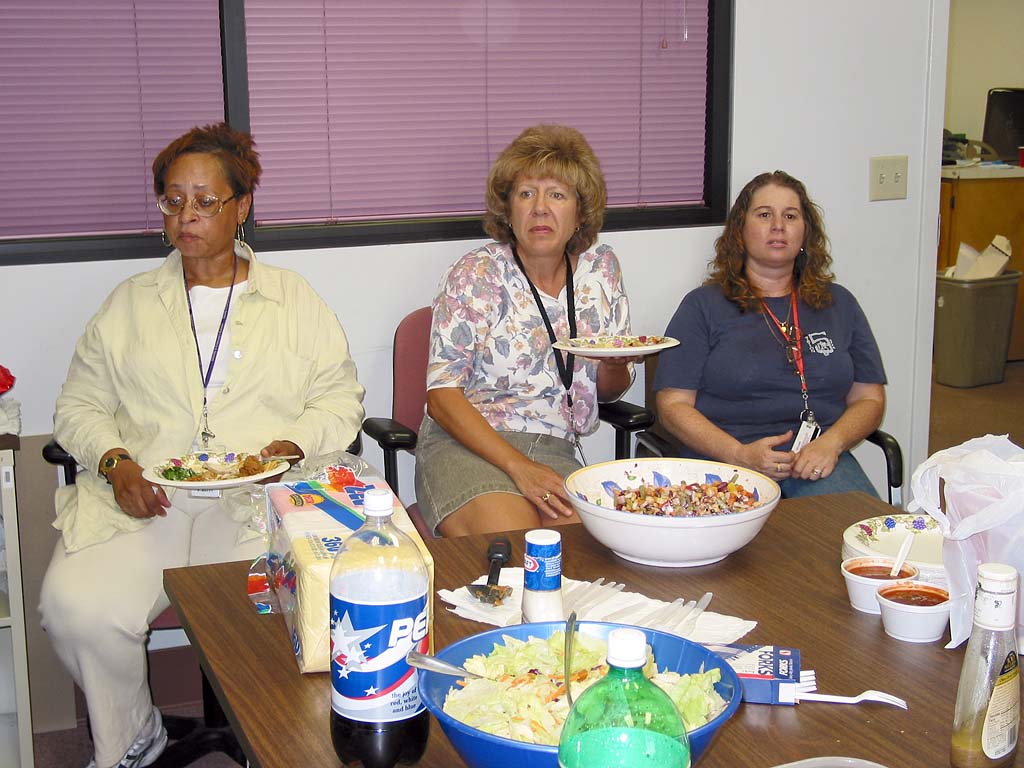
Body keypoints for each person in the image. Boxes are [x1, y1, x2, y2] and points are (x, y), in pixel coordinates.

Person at [39, 123, 365, 768]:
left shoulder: (293, 300)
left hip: (255, 498)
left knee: (267, 611)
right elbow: (79, 404)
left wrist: (291, 446)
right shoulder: (128, 304)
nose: (187, 216)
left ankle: (275, 742)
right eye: (173, 200)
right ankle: (134, 740)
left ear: (241, 206)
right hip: (147, 500)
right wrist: (114, 461)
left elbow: (340, 398)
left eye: (205, 201)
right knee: (74, 607)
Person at [415, 124, 637, 537]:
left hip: (555, 451)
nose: (540, 208)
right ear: (508, 208)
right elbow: (442, 396)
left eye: (557, 194)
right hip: (468, 444)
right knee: (520, 548)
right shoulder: (476, 274)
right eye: (526, 194)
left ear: (579, 210)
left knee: (586, 554)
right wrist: (520, 468)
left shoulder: (600, 270)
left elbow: (607, 391)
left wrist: (616, 365)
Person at [653, 170, 887, 498]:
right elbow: (672, 405)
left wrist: (832, 444)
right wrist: (739, 454)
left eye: (790, 216)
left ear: (805, 232)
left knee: (862, 542)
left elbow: (869, 398)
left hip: (816, 462)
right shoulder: (702, 306)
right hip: (724, 462)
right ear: (740, 231)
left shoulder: (839, 303)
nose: (778, 225)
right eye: (765, 215)